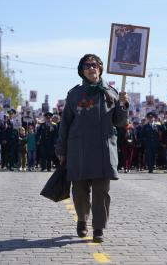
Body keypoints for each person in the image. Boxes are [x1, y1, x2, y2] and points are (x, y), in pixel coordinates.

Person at [55, 54, 129, 243]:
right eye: (87, 65)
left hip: (104, 151)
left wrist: (123, 104)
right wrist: (61, 150)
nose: (91, 68)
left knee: (101, 193)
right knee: (79, 192)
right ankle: (82, 219)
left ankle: (98, 228)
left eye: (94, 65)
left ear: (100, 68)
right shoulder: (74, 94)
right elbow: (65, 124)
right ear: (82, 71)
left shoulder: (111, 93)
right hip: (79, 150)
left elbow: (120, 122)